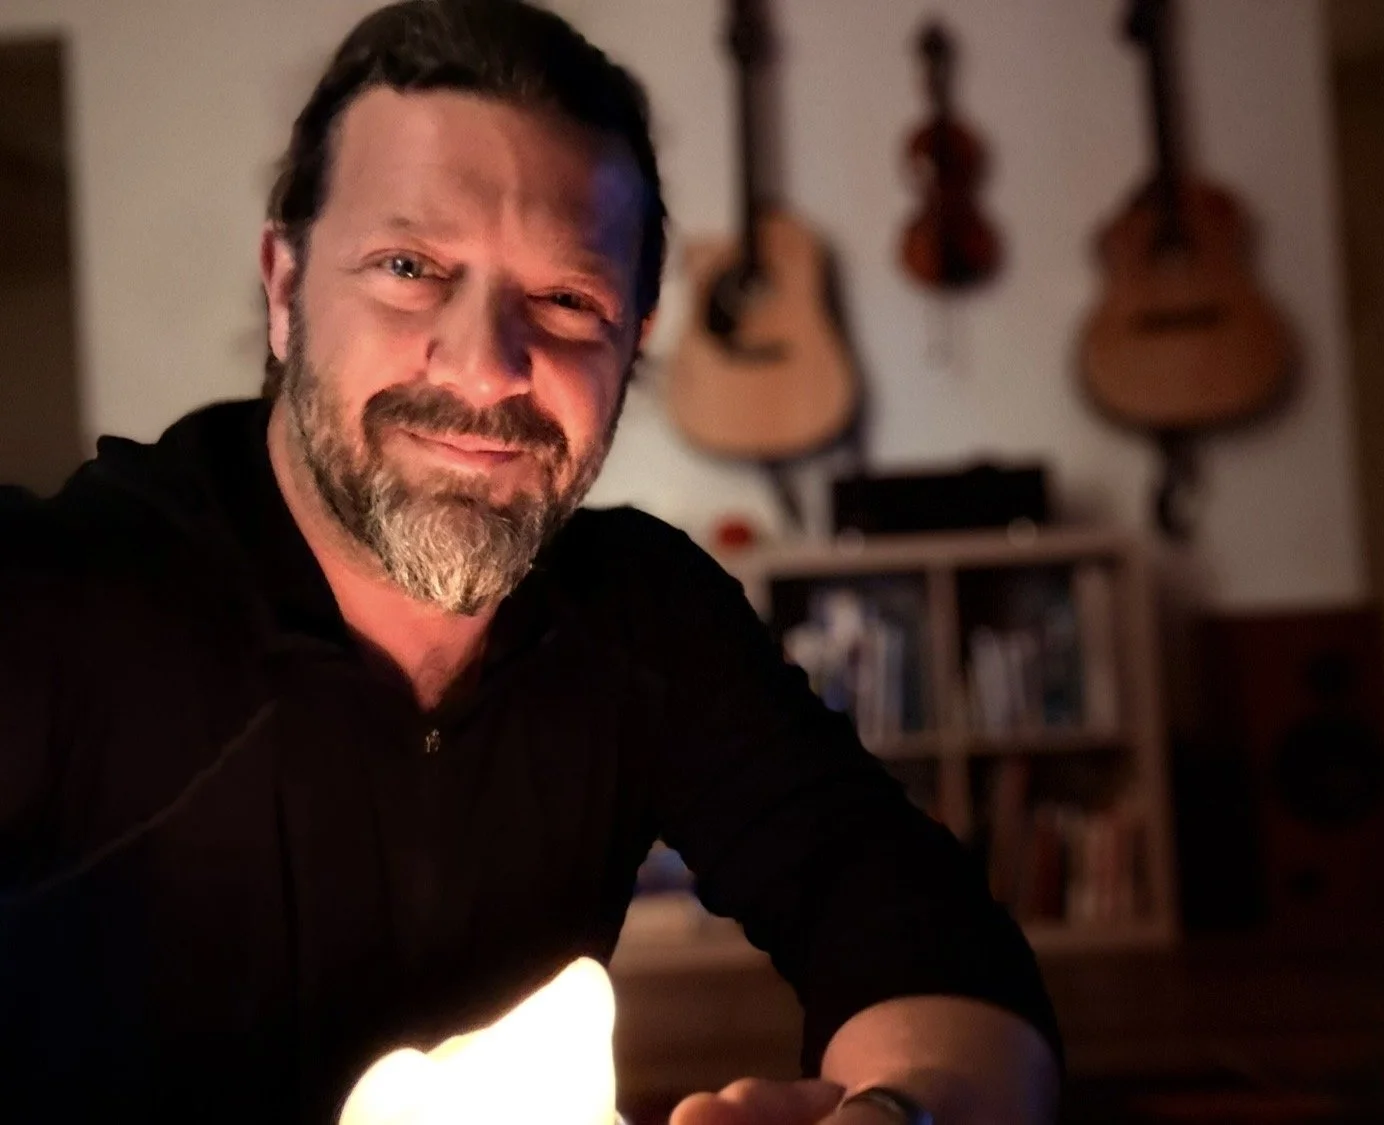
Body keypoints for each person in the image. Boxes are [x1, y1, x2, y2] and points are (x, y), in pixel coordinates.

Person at [0, 2, 1061, 1122]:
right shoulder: (58, 600)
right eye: (408, 266)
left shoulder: (644, 615)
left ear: (633, 337)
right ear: (282, 286)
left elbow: (913, 922)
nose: (485, 368)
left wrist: (897, 1113)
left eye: (565, 299)